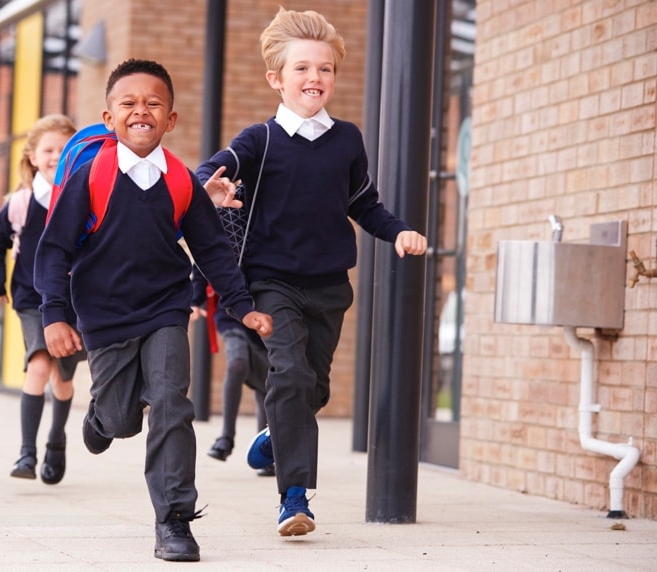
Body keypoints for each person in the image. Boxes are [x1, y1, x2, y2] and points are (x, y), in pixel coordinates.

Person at [196, 8, 428, 538]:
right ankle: (294, 498)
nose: (314, 78)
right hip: (271, 282)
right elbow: (210, 169)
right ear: (277, 78)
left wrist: (397, 232)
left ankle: (276, 439)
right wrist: (211, 186)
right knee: (292, 378)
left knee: (314, 388)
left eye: (324, 69)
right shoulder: (260, 140)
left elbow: (364, 204)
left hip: (328, 285)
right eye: (301, 69)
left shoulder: (347, 139)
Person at [34, 58, 273, 562]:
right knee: (122, 419)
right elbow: (54, 249)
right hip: (103, 316)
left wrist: (242, 306)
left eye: (153, 103)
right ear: (108, 117)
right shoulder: (90, 175)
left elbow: (211, 250)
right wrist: (55, 314)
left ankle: (174, 521)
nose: (141, 110)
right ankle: (102, 417)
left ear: (171, 119)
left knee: (171, 402)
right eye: (128, 103)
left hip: (167, 308)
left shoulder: (182, 180)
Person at [0, 114, 83, 485]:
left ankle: (56, 440)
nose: (56, 156)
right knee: (39, 363)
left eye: (64, 149)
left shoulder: (84, 195)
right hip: (31, 297)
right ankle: (26, 452)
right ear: (33, 157)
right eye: (48, 150)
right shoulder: (21, 203)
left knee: (62, 378)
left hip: (74, 301)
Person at [191, 273, 273, 477]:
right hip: (231, 312)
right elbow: (205, 259)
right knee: (237, 363)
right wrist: (193, 300)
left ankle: (264, 451)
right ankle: (226, 438)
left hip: (268, 311)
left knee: (266, 382)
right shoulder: (226, 239)